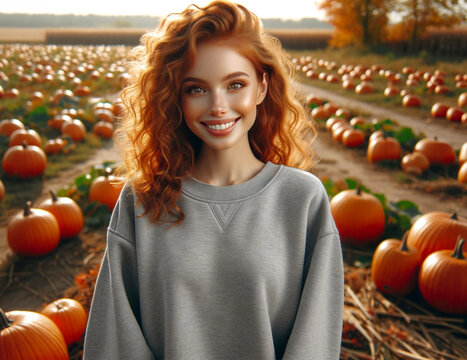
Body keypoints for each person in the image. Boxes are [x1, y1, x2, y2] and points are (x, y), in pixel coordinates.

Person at [83, 1, 344, 359]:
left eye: (235, 84)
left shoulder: (302, 199)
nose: (218, 106)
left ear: (262, 87)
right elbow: (115, 336)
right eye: (197, 89)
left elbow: (315, 339)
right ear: (176, 98)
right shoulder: (143, 200)